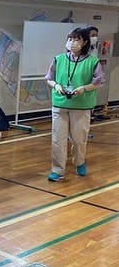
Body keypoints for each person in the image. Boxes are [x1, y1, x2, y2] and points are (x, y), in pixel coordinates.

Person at [45, 27, 104, 182]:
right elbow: (49, 78)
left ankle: (79, 162)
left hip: (81, 105)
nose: (72, 43)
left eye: (76, 39)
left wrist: (84, 88)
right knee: (58, 139)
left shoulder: (93, 61)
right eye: (70, 39)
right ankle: (58, 170)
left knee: (79, 139)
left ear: (84, 42)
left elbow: (97, 82)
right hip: (60, 104)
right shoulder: (59, 59)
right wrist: (56, 85)